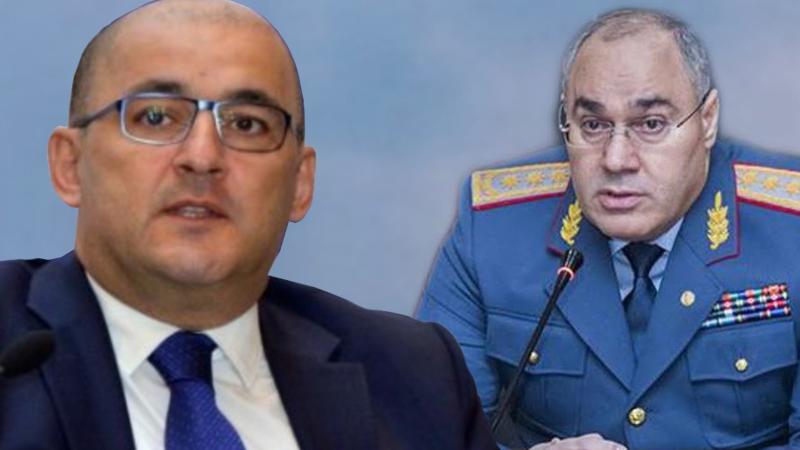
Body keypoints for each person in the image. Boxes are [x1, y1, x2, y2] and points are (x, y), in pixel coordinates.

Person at [0, 1, 497, 449]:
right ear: (70, 166)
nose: (202, 158)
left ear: (300, 184)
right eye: (155, 117)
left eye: (247, 124)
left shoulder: (413, 375)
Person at [417, 8, 800, 450]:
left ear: (707, 119)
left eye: (651, 124)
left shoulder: (791, 228)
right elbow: (427, 431)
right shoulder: (492, 228)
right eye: (594, 125)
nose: (617, 160)